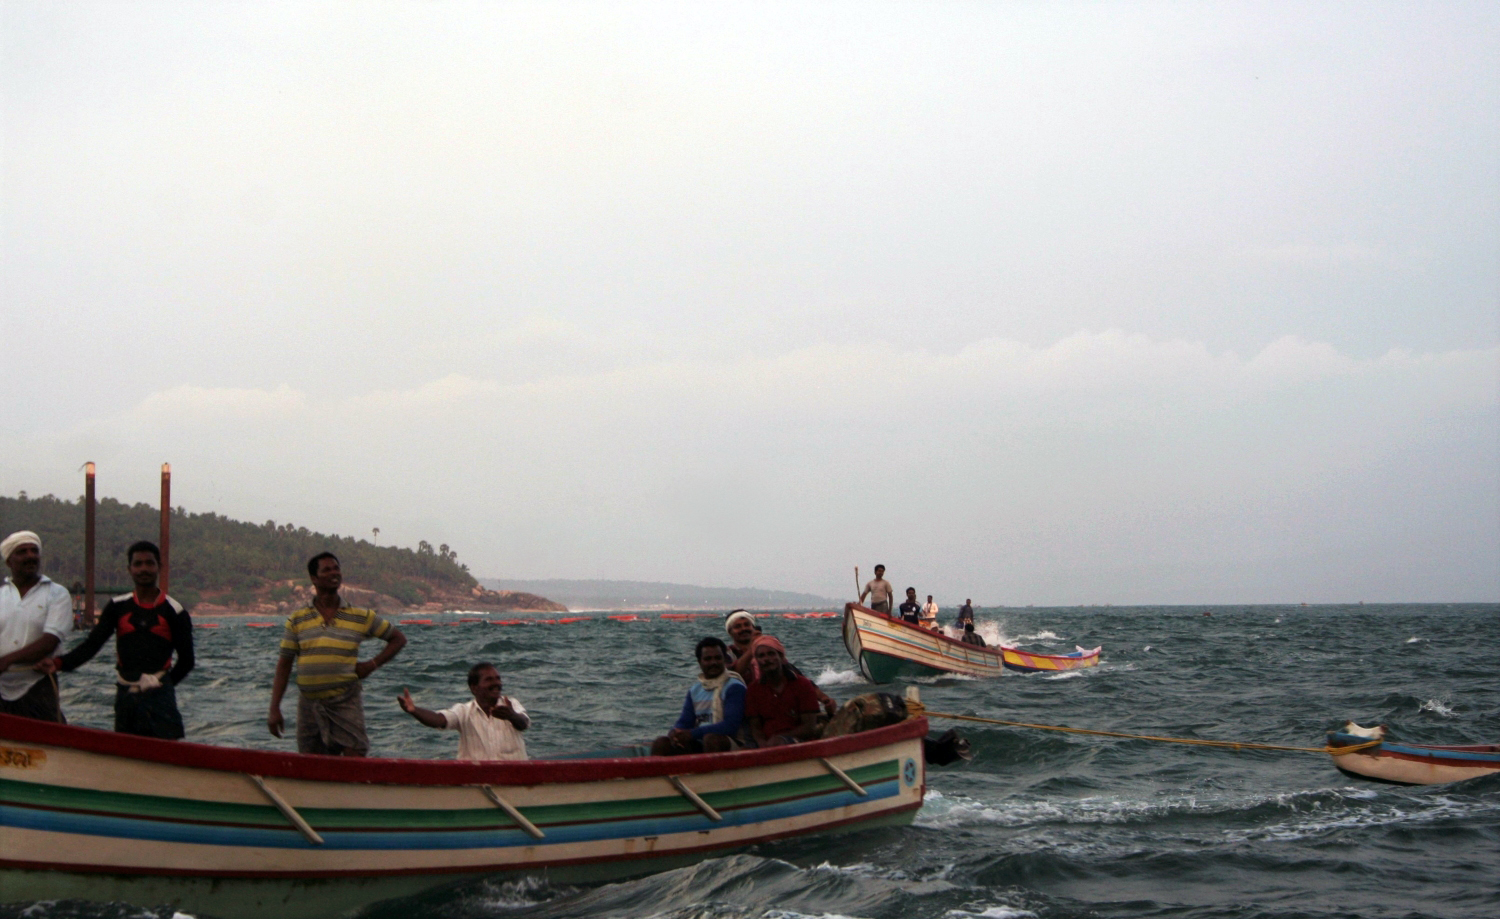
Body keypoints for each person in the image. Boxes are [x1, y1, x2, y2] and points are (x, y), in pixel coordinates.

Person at [38, 541, 194, 738]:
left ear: (159, 568)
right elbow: (92, 645)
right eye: (138, 564)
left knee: (166, 754)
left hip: (160, 697)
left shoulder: (175, 611)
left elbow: (187, 661)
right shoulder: (117, 606)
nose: (144, 569)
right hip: (125, 696)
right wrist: (58, 663)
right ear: (129, 569)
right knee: (126, 753)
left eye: (149, 563)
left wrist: (162, 683)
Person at [268, 552, 407, 756]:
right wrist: (274, 708)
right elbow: (284, 664)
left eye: (336, 568)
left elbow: (398, 639)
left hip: (345, 700)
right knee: (311, 765)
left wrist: (372, 664)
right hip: (309, 705)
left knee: (355, 756)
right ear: (314, 579)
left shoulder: (360, 616)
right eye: (327, 570)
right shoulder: (297, 619)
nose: (334, 573)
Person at [0, 531, 72, 722]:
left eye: (34, 551)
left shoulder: (57, 594)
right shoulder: (1, 596)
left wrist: (6, 661)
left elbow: (50, 642)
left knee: (49, 744)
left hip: (39, 685)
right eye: (22, 552)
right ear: (9, 561)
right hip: (1, 688)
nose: (30, 556)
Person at [397, 662, 529, 761]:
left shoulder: (511, 704)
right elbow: (439, 720)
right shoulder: (463, 711)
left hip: (513, 776)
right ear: (474, 688)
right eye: (489, 680)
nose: (496, 683)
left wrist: (512, 716)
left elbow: (523, 724)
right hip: (475, 780)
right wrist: (414, 710)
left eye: (498, 678)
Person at [724, 610, 837, 718]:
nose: (743, 629)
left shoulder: (768, 651)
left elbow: (796, 676)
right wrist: (753, 648)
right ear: (730, 632)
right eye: (738, 627)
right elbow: (734, 673)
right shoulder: (727, 654)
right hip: (746, 710)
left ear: (753, 627)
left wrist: (824, 699)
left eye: (746, 625)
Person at [651, 637, 745, 755]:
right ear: (700, 662)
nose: (713, 663)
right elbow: (685, 722)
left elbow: (730, 726)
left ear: (724, 660)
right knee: (661, 743)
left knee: (711, 740)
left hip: (729, 742)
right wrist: (675, 733)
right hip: (700, 742)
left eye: (717, 658)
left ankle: (715, 773)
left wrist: (692, 734)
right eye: (708, 659)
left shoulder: (734, 687)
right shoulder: (695, 690)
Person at [744, 636, 822, 747]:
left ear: (781, 657)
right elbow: (755, 728)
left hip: (800, 743)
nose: (766, 659)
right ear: (757, 661)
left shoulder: (803, 684)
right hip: (766, 745)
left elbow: (809, 727)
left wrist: (780, 738)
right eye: (761, 656)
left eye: (771, 654)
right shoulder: (753, 690)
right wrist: (763, 745)